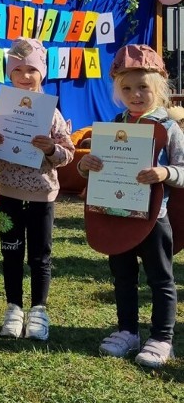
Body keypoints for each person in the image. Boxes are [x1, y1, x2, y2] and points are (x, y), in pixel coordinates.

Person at [78, 45, 183, 368]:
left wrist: (165, 173)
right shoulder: (114, 124)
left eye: (143, 88)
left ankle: (162, 337)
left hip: (154, 218)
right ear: (117, 91)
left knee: (160, 279)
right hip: (116, 214)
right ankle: (127, 331)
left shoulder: (168, 128)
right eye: (127, 88)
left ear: (159, 88)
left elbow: (183, 168)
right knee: (122, 276)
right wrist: (87, 165)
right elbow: (93, 168)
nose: (135, 94)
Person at [0, 39, 74, 342]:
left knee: (40, 255)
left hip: (43, 197)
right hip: (7, 197)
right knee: (10, 251)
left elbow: (68, 154)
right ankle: (13, 308)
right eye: (19, 70)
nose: (25, 76)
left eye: (32, 70)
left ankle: (39, 310)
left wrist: (51, 148)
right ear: (9, 74)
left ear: (42, 73)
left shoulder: (52, 113)